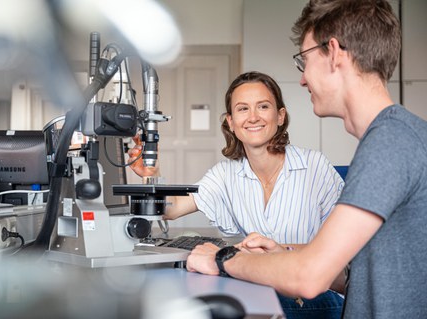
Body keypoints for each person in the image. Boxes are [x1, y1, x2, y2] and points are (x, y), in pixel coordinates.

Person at [186, 0, 427, 318]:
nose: (302, 79)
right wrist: (280, 253)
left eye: (304, 61)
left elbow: (309, 278)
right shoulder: (396, 136)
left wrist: (222, 258)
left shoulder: (389, 143)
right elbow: (353, 275)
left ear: (335, 54)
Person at [129, 71, 345, 318]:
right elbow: (172, 208)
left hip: (316, 291)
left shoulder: (314, 166)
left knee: (217, 299)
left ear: (280, 116)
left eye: (263, 106)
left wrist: (273, 255)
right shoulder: (225, 174)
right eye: (242, 109)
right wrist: (150, 174)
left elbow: (343, 249)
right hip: (263, 284)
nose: (253, 117)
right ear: (230, 122)